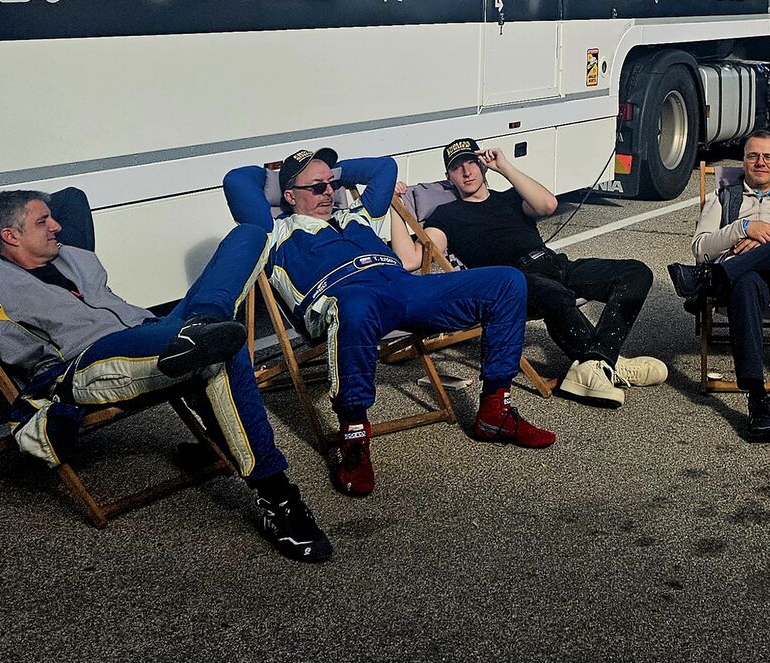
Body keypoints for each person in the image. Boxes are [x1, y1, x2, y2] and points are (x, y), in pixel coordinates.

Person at [0, 186, 331, 563]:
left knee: (249, 235)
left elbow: (72, 198)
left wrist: (11, 220)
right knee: (222, 350)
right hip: (87, 362)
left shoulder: (69, 254)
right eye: (43, 221)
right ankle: (279, 498)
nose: (57, 226)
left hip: (153, 330)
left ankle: (202, 325)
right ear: (10, 236)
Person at [222, 148, 553, 499]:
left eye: (332, 183)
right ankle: (354, 436)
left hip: (404, 290)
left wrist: (329, 171)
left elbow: (384, 168)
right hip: (346, 300)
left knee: (506, 282)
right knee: (357, 305)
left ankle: (495, 412)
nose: (329, 192)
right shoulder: (273, 229)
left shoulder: (357, 215)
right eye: (317, 187)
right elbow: (236, 180)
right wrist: (277, 178)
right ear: (289, 196)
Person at [419, 136, 665, 406]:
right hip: (512, 282)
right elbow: (414, 258)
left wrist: (505, 167)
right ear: (449, 177)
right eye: (457, 167)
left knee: (636, 272)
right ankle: (604, 366)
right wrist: (395, 208)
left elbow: (548, 205)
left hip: (555, 264)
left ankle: (601, 360)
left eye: (471, 163)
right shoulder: (446, 215)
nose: (466, 172)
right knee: (556, 295)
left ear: (483, 166)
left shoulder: (511, 197)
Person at [669, 130, 770, 444]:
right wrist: (743, 228)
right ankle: (758, 398)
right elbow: (700, 248)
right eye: (753, 156)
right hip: (747, 284)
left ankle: (715, 277)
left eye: (768, 156)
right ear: (743, 161)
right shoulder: (723, 198)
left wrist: (767, 245)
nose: (760, 162)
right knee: (745, 283)